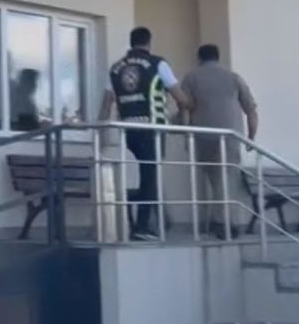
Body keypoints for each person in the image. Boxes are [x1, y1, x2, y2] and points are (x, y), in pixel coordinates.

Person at [99, 27, 191, 240]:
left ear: (131, 42)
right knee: (149, 176)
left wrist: (100, 135)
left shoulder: (116, 68)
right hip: (152, 130)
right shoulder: (158, 64)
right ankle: (142, 227)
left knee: (143, 177)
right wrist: (190, 106)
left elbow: (105, 105)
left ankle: (159, 221)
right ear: (149, 42)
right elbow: (180, 97)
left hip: (128, 131)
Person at [180, 44, 258, 240]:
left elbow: (185, 109)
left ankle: (219, 222)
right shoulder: (234, 77)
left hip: (203, 135)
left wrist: (186, 135)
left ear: (199, 58)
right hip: (231, 136)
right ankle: (226, 222)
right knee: (227, 179)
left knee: (213, 180)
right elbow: (251, 110)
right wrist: (251, 138)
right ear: (218, 57)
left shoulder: (191, 77)